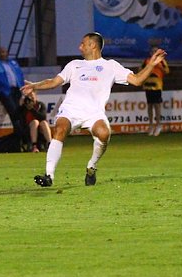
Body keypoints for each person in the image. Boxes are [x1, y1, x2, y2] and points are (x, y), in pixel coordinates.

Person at [21, 32, 167, 187]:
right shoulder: (74, 65)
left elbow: (137, 80)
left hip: (94, 113)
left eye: (83, 44)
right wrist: (35, 86)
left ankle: (91, 166)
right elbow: (54, 82)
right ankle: (49, 175)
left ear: (93, 45)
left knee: (104, 133)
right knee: (60, 129)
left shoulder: (111, 66)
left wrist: (151, 65)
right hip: (71, 110)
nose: (80, 47)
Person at [0, 46, 32, 150]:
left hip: (17, 91)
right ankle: (22, 138)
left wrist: (22, 89)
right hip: (5, 92)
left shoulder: (13, 63)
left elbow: (20, 75)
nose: (3, 54)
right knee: (14, 113)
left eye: (4, 52)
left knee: (21, 113)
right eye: (1, 52)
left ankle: (23, 138)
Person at [140, 44, 170, 136]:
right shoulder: (147, 61)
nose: (154, 53)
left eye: (156, 51)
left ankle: (158, 125)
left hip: (157, 86)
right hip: (148, 85)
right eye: (153, 51)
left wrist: (159, 66)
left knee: (157, 105)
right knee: (150, 105)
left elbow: (167, 71)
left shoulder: (161, 61)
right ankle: (151, 125)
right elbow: (141, 70)